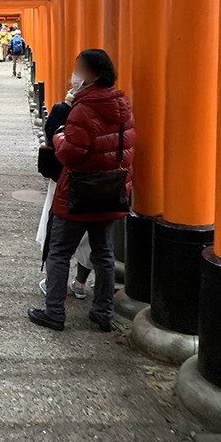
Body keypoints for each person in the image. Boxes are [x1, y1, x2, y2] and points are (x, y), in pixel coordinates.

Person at [28, 49, 135, 332]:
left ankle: (54, 313)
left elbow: (69, 154)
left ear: (94, 75)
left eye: (79, 69)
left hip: (78, 192)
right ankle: (103, 313)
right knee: (104, 253)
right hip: (111, 191)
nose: (74, 75)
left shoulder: (83, 109)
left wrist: (60, 135)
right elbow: (126, 150)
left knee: (59, 251)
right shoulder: (123, 108)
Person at [37, 87, 93, 299]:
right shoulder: (114, 108)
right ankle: (80, 284)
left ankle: (53, 288)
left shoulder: (65, 109)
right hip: (101, 181)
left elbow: (55, 143)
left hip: (66, 178)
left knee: (57, 235)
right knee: (93, 238)